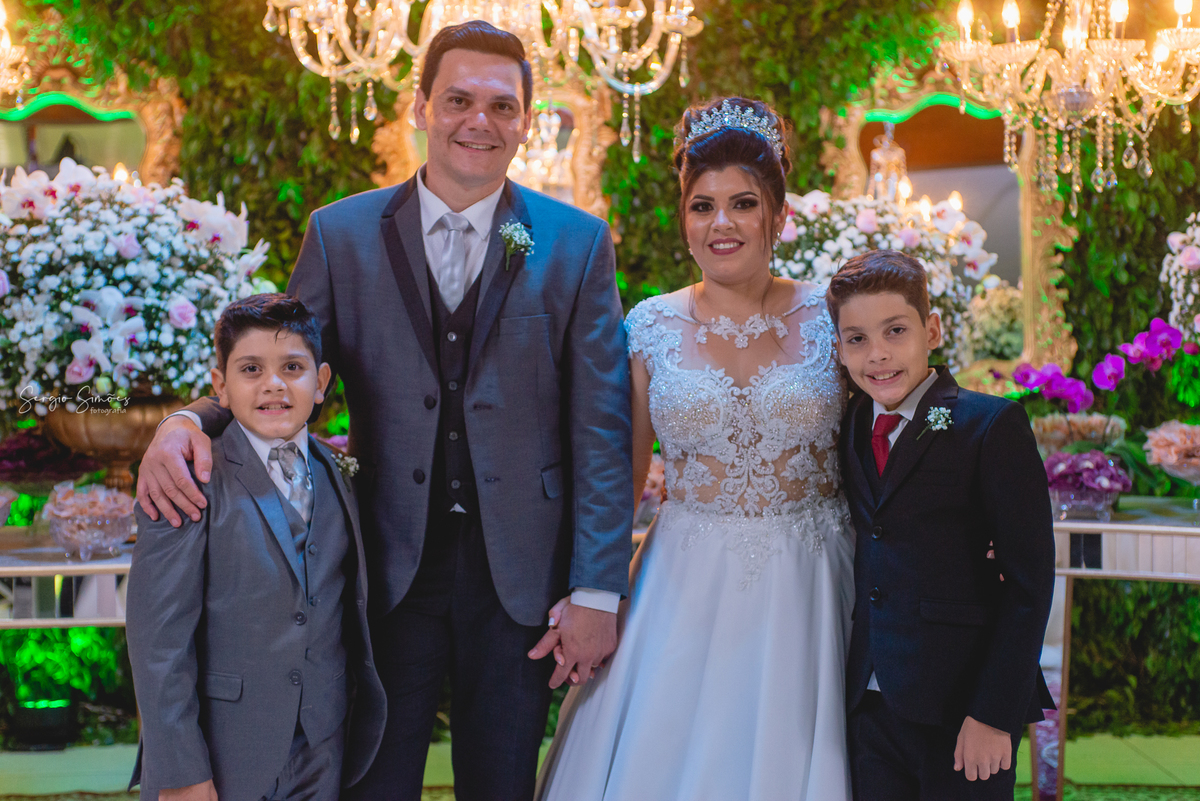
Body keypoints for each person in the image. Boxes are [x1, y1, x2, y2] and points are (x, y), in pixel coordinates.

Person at [133, 20, 633, 801]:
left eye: (502, 107)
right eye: (459, 99)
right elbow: (279, 362)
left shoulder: (574, 242)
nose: (480, 121)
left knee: (503, 784)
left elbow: (601, 426)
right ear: (421, 106)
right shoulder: (342, 233)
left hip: (527, 579)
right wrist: (188, 419)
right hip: (381, 566)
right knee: (375, 780)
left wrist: (598, 589)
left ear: (527, 121)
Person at [533, 97, 856, 801]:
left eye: (743, 203)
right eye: (702, 205)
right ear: (684, 219)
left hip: (813, 574)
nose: (722, 223)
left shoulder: (835, 319)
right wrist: (596, 590)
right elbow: (621, 470)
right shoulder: (648, 325)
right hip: (682, 574)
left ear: (778, 214)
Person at [126, 294, 386, 801]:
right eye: (251, 369)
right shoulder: (185, 477)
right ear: (220, 385)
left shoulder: (336, 473)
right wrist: (181, 770)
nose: (274, 384)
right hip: (224, 752)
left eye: (293, 367)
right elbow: (158, 641)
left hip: (323, 744)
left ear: (322, 382)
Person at [828, 250, 1056, 801]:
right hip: (869, 701)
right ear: (838, 348)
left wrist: (994, 715)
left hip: (962, 708)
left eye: (896, 331)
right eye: (856, 339)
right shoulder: (853, 423)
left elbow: (1029, 585)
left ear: (931, 330)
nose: (877, 355)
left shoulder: (987, 424)